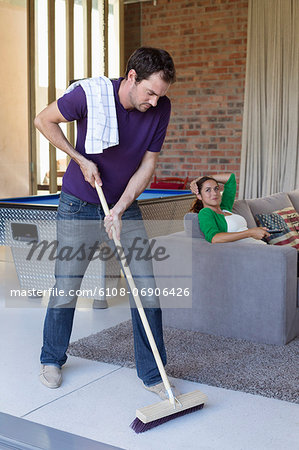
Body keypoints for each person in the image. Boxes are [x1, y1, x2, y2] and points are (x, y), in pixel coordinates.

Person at [34, 47, 179, 399]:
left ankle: (153, 373)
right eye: (150, 92)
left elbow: (147, 166)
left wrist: (121, 207)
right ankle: (52, 358)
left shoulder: (161, 108)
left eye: (161, 95)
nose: (155, 102)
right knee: (67, 284)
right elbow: (43, 120)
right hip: (78, 202)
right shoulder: (90, 95)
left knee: (145, 286)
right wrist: (80, 159)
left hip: (124, 205)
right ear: (131, 77)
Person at [190, 173, 270, 244]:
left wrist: (203, 178)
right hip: (247, 253)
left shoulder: (225, 208)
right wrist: (249, 233)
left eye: (216, 188)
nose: (214, 193)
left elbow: (231, 179)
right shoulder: (205, 212)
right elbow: (214, 238)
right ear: (199, 196)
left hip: (259, 247)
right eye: (208, 190)